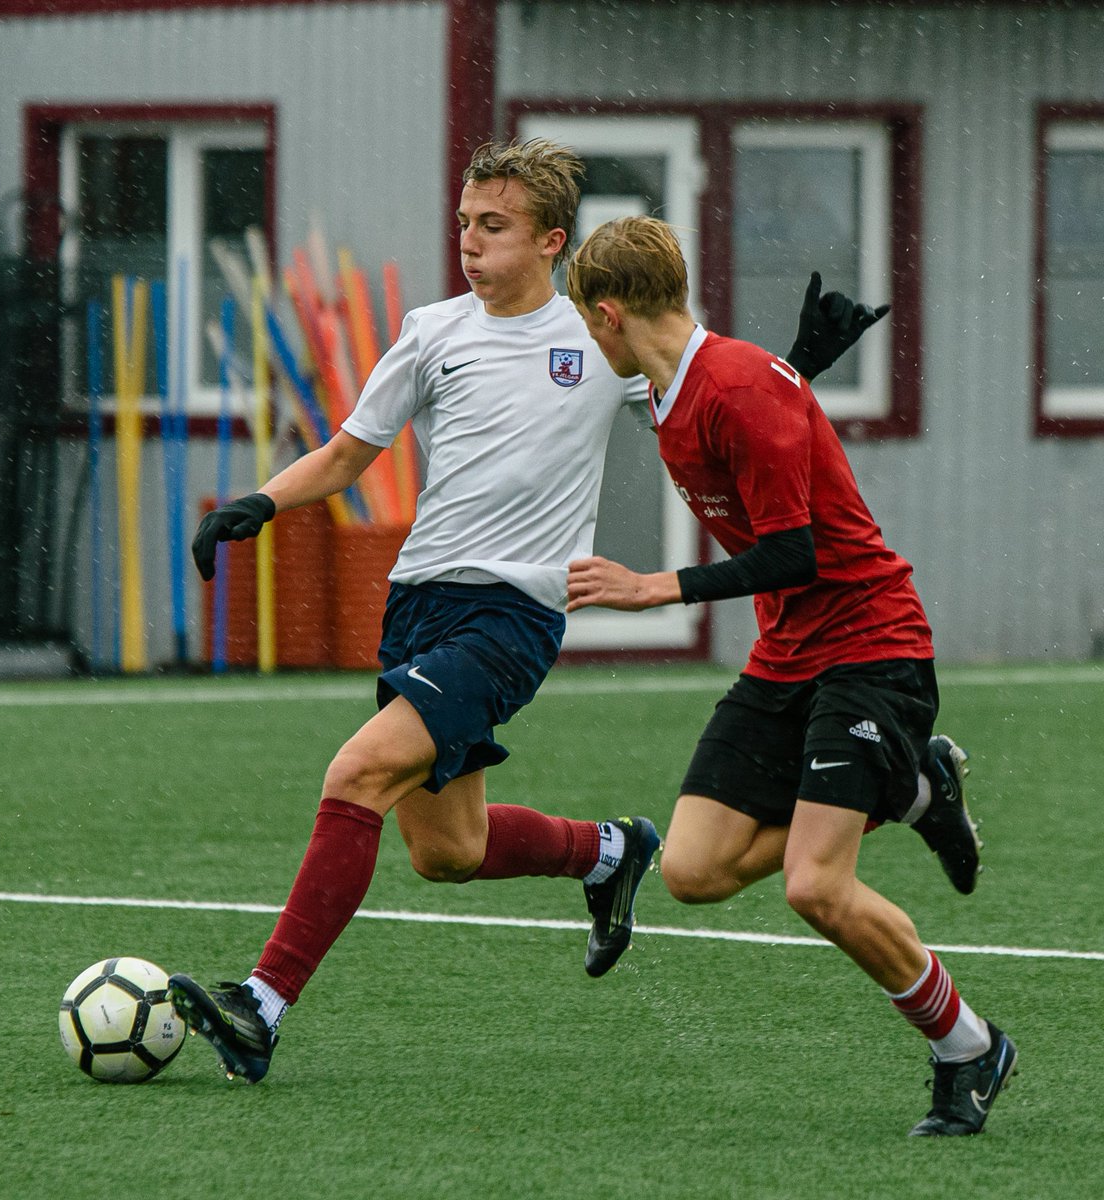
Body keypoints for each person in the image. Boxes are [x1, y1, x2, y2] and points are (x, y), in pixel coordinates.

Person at [168, 140, 877, 1086]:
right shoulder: (430, 332)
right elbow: (346, 455)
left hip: (512, 617)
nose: (468, 241)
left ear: (551, 241)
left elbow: (711, 397)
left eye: (491, 226)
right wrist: (259, 503)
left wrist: (795, 368)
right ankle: (607, 852)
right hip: (419, 605)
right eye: (463, 222)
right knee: (447, 852)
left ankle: (261, 1003)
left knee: (358, 771)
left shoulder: (600, 342)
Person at [563, 214, 1013, 1137]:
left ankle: (968, 1047)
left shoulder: (729, 383)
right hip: (788, 655)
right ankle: (917, 788)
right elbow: (763, 422)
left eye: (582, 319)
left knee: (815, 884)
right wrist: (795, 377)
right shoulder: (678, 386)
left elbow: (797, 553)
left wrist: (660, 587)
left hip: (871, 648)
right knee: (691, 869)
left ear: (609, 314)